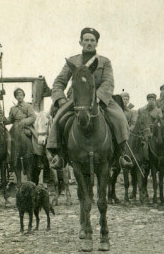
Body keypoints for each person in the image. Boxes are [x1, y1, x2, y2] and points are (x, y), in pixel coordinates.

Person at [46, 27, 132, 169]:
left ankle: (121, 155)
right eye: (86, 40)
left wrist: (98, 98)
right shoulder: (72, 62)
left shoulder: (104, 62)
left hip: (100, 99)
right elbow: (59, 82)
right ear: (80, 42)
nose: (89, 43)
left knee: (120, 118)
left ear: (97, 43)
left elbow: (108, 82)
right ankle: (60, 155)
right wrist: (60, 99)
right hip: (77, 100)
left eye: (92, 40)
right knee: (58, 120)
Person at [4, 87, 37, 156]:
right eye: (17, 95)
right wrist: (5, 120)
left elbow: (33, 117)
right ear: (15, 97)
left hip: (26, 126)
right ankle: (8, 156)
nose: (19, 97)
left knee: (35, 140)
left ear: (23, 96)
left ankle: (36, 156)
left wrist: (24, 122)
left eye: (21, 95)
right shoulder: (13, 108)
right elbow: (11, 119)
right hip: (15, 127)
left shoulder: (28, 106)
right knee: (7, 139)